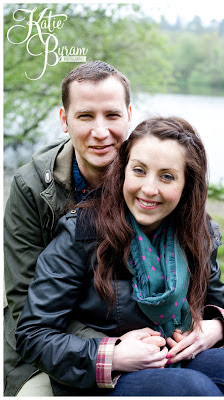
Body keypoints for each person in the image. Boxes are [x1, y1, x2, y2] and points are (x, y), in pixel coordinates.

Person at [15, 116, 224, 396]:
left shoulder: (199, 233)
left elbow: (220, 307)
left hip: (178, 357)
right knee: (191, 389)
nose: (149, 188)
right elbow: (33, 335)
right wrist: (113, 355)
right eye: (139, 171)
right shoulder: (82, 232)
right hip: (103, 375)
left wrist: (215, 328)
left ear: (187, 184)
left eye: (167, 176)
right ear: (123, 172)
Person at [4, 60, 132, 396]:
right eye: (86, 116)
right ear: (65, 120)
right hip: (47, 346)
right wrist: (111, 349)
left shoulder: (148, 181)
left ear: (129, 115)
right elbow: (24, 304)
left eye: (112, 115)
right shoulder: (31, 187)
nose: (101, 132)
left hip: (138, 343)